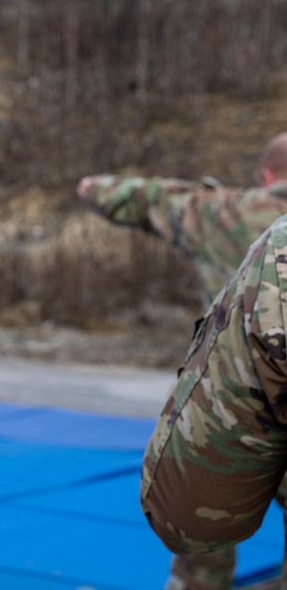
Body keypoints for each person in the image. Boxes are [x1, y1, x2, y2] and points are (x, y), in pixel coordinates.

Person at [78, 133, 287, 590]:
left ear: (266, 176)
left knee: (202, 529)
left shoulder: (220, 212)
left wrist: (93, 187)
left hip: (233, 401)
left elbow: (151, 199)